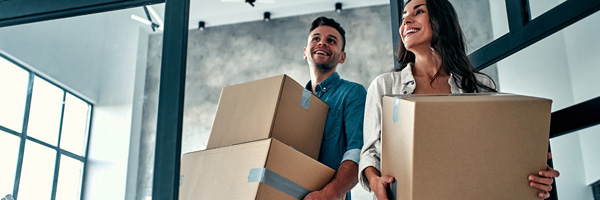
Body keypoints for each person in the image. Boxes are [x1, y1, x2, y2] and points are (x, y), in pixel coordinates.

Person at [357, 0, 560, 199]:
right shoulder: (385, 86)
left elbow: (496, 150)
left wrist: (531, 173)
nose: (406, 22)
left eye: (418, 12)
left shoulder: (478, 86)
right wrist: (375, 182)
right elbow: (370, 153)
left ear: (441, 20)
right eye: (403, 17)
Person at [301, 16, 367, 200]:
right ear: (305, 51)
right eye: (316, 38)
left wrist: (328, 194)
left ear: (342, 56)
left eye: (331, 40)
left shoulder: (353, 92)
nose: (322, 43)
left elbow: (359, 150)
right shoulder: (293, 101)